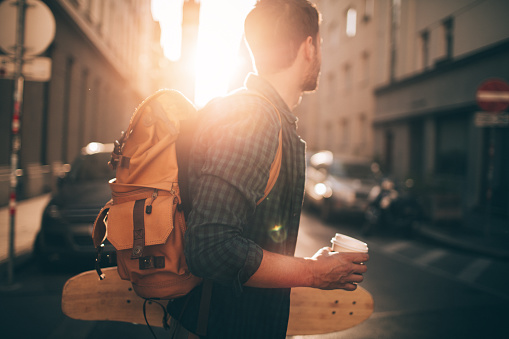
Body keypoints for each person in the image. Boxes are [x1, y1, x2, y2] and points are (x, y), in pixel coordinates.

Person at [167, 1, 369, 338]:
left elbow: (246, 236)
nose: (320, 52)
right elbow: (210, 247)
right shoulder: (255, 118)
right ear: (309, 47)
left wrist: (309, 267)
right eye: (319, 43)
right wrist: (312, 273)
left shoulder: (265, 117)